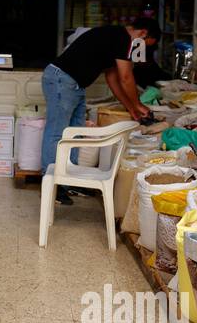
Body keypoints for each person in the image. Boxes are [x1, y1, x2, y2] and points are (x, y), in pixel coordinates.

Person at [40, 15, 160, 205]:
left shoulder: (116, 39)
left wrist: (132, 108)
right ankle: (50, 186)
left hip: (75, 85)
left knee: (74, 135)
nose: (142, 49)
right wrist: (138, 105)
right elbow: (126, 78)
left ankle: (66, 181)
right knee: (57, 134)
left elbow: (113, 79)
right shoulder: (122, 38)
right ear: (142, 33)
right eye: (146, 44)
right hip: (61, 80)